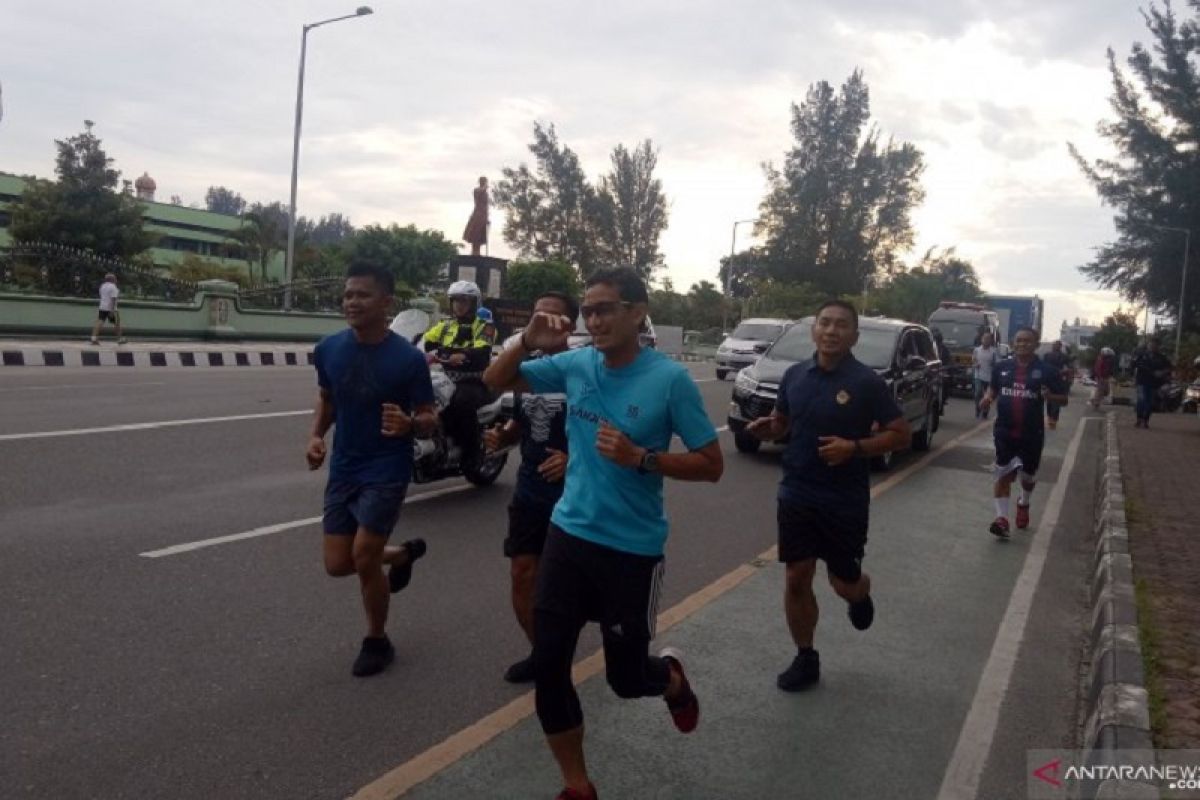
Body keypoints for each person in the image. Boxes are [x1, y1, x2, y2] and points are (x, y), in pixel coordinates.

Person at [483, 267, 723, 800]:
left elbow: (712, 464)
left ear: (638, 312)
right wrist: (525, 341)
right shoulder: (577, 363)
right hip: (568, 536)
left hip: (631, 552)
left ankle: (673, 681)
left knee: (627, 679)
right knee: (550, 665)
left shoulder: (670, 380)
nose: (594, 320)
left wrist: (643, 458)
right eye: (588, 311)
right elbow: (495, 381)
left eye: (605, 309)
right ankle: (577, 785)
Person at [745, 300, 911, 692]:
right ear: (814, 330)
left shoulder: (867, 383)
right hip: (797, 492)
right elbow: (784, 422)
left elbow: (900, 434)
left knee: (842, 582)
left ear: (854, 336)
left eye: (841, 326)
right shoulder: (793, 376)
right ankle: (806, 657)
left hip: (844, 500)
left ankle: (859, 593)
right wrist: (769, 429)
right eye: (825, 323)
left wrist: (853, 448)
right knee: (797, 576)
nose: (832, 331)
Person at [307, 263, 438, 677]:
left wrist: (410, 424)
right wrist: (315, 437)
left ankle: (377, 640)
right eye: (348, 294)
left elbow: (429, 416)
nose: (352, 302)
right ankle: (400, 556)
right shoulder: (328, 348)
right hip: (345, 465)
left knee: (364, 557)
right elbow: (328, 399)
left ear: (387, 302)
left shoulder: (407, 359)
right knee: (337, 563)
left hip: (387, 466)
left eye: (362, 295)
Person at [483, 292, 577, 684]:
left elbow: (612, 425)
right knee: (523, 574)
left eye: (554, 316)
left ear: (571, 324)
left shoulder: (585, 369)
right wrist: (506, 435)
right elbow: (514, 406)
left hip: (574, 496)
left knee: (564, 587)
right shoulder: (530, 368)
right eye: (539, 314)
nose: (545, 321)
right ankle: (544, 656)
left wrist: (574, 459)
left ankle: (558, 652)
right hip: (529, 492)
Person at [979, 327, 1069, 539]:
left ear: (1036, 344)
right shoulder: (1001, 367)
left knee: (1027, 477)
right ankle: (1001, 519)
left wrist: (1050, 397)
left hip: (1031, 434)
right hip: (1004, 431)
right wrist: (988, 398)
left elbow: (1063, 399)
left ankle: (1024, 502)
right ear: (1013, 343)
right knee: (1003, 474)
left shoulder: (1047, 371)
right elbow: (993, 388)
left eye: (1027, 341)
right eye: (1019, 341)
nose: (1022, 344)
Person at [424, 281, 493, 471]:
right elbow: (425, 341)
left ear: (474, 303)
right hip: (445, 378)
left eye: (464, 301)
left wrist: (463, 355)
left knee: (460, 402)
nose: (459, 305)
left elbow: (482, 352)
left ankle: (472, 454)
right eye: (455, 301)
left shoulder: (484, 326)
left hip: (473, 381)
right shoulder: (445, 325)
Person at [1131, 337, 1173, 428]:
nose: (1153, 347)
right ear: (1148, 345)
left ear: (1158, 346)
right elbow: (1134, 364)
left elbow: (1169, 368)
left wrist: (1162, 372)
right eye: (1151, 344)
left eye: (1155, 345)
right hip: (1142, 381)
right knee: (1141, 400)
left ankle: (1145, 421)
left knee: (1150, 402)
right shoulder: (1141, 355)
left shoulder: (1162, 357)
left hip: (1154, 383)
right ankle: (1139, 419)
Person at [1041, 340, 1072, 430]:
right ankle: (1052, 418)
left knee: (1054, 399)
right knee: (1050, 399)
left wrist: (1066, 375)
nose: (1055, 346)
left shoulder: (1063, 356)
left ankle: (1052, 419)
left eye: (1056, 345)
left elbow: (1069, 368)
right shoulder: (1048, 355)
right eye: (1055, 345)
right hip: (1052, 380)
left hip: (1057, 380)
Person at [91, 272, 125, 345]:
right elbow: (113, 299)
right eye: (115, 278)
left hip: (102, 307)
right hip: (111, 308)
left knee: (99, 322)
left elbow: (102, 296)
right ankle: (119, 339)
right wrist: (112, 310)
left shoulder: (102, 286)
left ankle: (93, 338)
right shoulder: (113, 287)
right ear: (112, 279)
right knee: (117, 323)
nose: (116, 280)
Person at [972, 332, 997, 420]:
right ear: (981, 339)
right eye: (984, 338)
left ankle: (985, 411)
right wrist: (976, 364)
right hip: (978, 376)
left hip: (989, 377)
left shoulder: (993, 351)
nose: (986, 340)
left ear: (991, 340)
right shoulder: (977, 350)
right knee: (978, 393)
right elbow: (974, 360)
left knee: (987, 396)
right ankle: (978, 409)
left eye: (988, 338)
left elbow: (996, 364)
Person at [463, 176, 489, 256]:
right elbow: (479, 194)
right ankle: (474, 251)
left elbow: (486, 205)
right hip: (477, 214)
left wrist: (487, 217)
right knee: (475, 233)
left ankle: (477, 251)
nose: (485, 183)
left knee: (481, 234)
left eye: (485, 181)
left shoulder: (486, 193)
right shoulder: (477, 190)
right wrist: (484, 187)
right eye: (484, 181)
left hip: (484, 215)